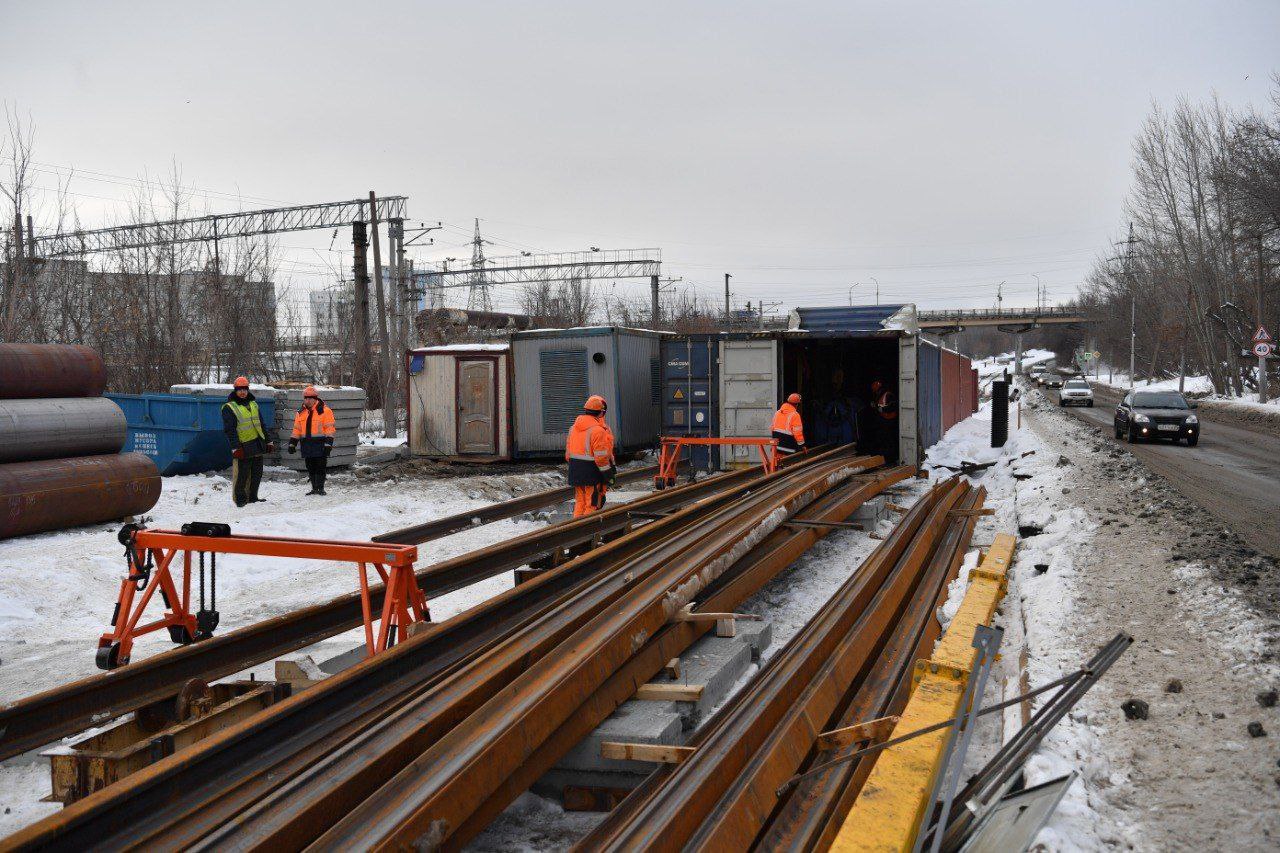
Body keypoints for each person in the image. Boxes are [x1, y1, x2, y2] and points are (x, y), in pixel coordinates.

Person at [221, 376, 274, 507]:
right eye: (240, 390)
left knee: (257, 473)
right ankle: (240, 499)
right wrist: (235, 447)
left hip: (257, 443)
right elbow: (230, 430)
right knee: (243, 474)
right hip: (243, 445)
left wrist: (268, 441)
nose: (243, 392)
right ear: (235, 391)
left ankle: (253, 497)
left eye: (245, 389)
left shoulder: (253, 404)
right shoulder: (229, 407)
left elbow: (261, 424)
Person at [565, 395, 616, 518]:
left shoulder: (573, 429)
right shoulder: (598, 431)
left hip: (575, 470)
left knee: (580, 502)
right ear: (600, 413)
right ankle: (588, 532)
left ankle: (575, 529)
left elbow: (568, 455)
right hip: (591, 472)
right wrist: (608, 474)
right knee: (591, 503)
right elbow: (601, 458)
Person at [287, 386, 336, 495]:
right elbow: (297, 430)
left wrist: (328, 445)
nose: (308, 400)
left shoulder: (325, 411)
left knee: (320, 466)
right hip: (307, 444)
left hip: (320, 444)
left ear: (315, 399)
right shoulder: (301, 412)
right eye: (306, 398)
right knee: (310, 466)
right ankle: (314, 488)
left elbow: (329, 429)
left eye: (310, 398)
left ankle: (320, 488)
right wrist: (292, 443)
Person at [869, 379, 899, 462]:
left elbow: (893, 406)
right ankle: (885, 458)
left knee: (889, 441)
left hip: (889, 422)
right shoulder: (878, 395)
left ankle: (891, 458)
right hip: (883, 422)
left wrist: (883, 409)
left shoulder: (888, 395)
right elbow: (880, 406)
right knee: (883, 440)